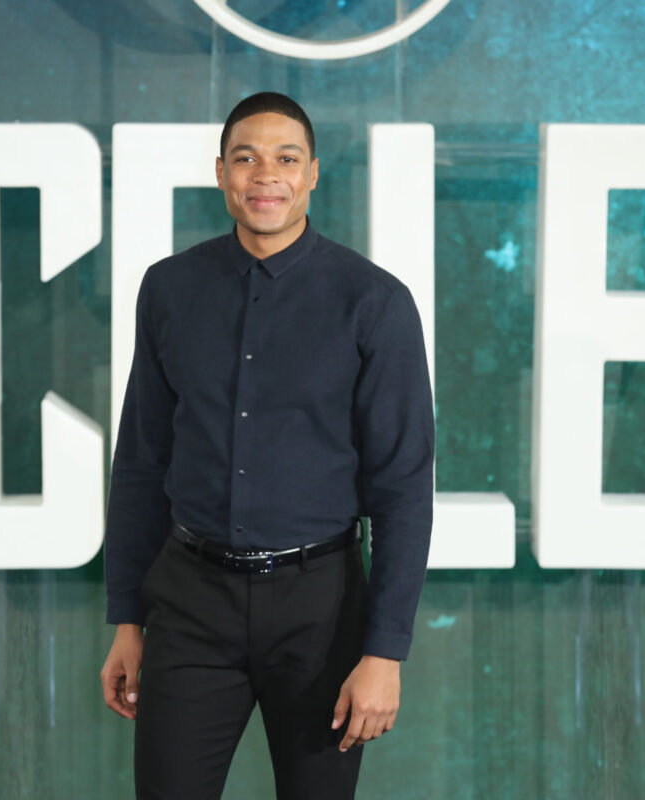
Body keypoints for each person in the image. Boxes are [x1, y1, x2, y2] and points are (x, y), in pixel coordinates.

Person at [99, 91, 434, 800]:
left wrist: (385, 652)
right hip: (190, 604)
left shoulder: (374, 301)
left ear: (312, 173)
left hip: (322, 609)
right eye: (246, 159)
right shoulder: (168, 289)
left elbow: (404, 486)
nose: (266, 176)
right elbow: (140, 463)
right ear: (221, 172)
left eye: (286, 159)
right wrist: (128, 619)